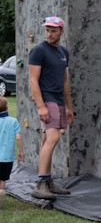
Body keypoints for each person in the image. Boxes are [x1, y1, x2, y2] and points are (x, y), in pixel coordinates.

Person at [28, 16, 73, 200]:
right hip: (46, 100)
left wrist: (69, 107)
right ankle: (40, 184)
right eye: (47, 30)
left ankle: (47, 182)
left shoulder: (64, 53)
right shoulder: (38, 51)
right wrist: (41, 106)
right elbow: (33, 80)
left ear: (61, 31)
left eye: (53, 30)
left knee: (47, 138)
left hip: (59, 100)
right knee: (53, 137)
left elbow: (64, 81)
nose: (49, 33)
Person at [0, 96, 23, 209]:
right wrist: (20, 151)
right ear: (7, 106)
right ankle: (1, 197)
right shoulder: (13, 121)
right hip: (7, 157)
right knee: (3, 179)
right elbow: (18, 138)